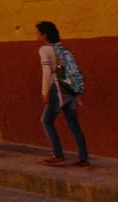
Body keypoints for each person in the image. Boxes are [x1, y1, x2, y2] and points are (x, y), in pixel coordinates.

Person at [36, 20, 89, 167]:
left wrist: (44, 91)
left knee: (46, 121)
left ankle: (57, 154)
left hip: (56, 89)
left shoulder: (44, 50)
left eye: (38, 33)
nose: (36, 36)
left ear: (44, 35)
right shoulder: (62, 49)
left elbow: (47, 72)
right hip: (69, 89)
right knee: (74, 124)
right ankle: (84, 158)